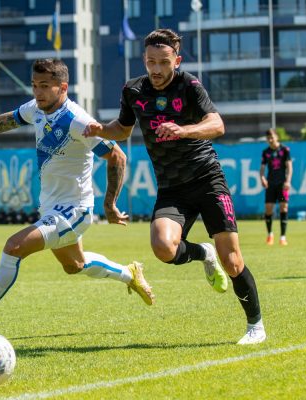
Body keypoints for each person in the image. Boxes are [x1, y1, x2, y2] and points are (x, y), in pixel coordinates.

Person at [0, 58, 154, 334]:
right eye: (35, 85)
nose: (38, 92)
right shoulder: (35, 109)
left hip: (74, 211)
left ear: (63, 87)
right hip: (51, 208)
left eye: (45, 86)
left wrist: (110, 204)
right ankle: (130, 273)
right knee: (74, 265)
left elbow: (117, 155)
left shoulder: (76, 120)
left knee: (14, 247)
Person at [84, 29, 266, 345]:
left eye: (163, 62)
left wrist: (183, 130)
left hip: (208, 181)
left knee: (232, 261)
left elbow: (217, 124)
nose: (156, 69)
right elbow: (122, 129)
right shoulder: (133, 90)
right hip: (172, 188)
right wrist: (100, 129)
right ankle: (203, 252)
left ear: (177, 61)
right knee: (163, 249)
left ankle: (255, 326)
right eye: (150, 62)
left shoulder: (189, 85)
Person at [260, 128, 292, 246]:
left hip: (282, 186)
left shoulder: (285, 150)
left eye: (272, 137)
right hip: (271, 185)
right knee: (268, 209)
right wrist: (262, 177)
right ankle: (270, 235)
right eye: (268, 138)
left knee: (284, 207)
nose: (270, 140)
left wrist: (288, 181)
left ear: (277, 137)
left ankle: (283, 237)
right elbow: (262, 168)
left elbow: (289, 167)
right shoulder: (266, 152)